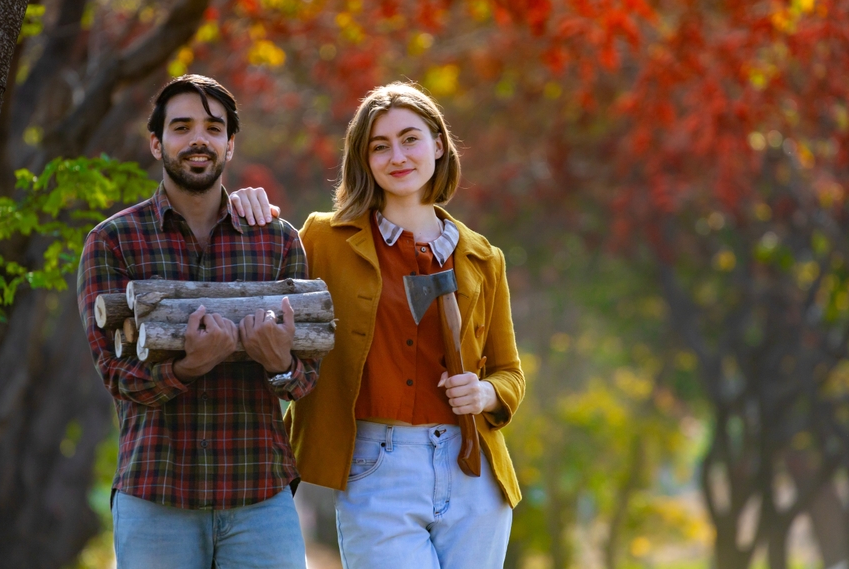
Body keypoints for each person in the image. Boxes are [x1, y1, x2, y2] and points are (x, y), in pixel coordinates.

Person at [233, 82, 524, 567]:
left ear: (438, 144)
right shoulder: (324, 240)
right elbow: (258, 280)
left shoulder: (482, 256)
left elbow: (509, 372)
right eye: (380, 146)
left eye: (410, 139)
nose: (398, 156)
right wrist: (243, 208)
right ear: (364, 160)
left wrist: (486, 394)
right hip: (376, 466)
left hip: (473, 471)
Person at [76, 74, 316, 569]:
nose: (198, 139)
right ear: (156, 142)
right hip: (156, 495)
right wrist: (186, 368)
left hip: (260, 496)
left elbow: (305, 378)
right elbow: (117, 377)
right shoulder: (113, 241)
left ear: (230, 145)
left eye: (212, 127)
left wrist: (279, 366)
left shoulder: (278, 241)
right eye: (181, 127)